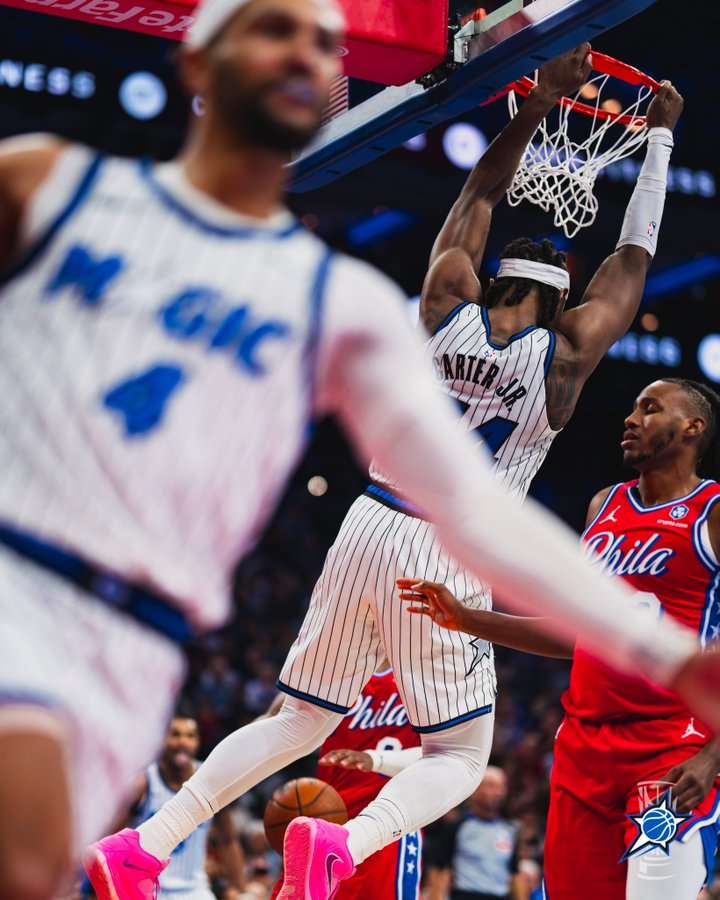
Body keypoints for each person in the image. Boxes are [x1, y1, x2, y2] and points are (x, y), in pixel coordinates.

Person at [0, 0, 713, 893]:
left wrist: (530, 109)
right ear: (568, 285)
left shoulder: (444, 299)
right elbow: (636, 265)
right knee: (460, 752)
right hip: (448, 536)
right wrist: (655, 146)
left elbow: (478, 197)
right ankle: (345, 845)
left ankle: (145, 843)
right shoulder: (565, 360)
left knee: (299, 719)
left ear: (492, 268)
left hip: (366, 520)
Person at [399, 377, 720, 899]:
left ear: (692, 427)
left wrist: (713, 757)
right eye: (632, 408)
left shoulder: (713, 511)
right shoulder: (603, 507)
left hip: (670, 745)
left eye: (650, 408)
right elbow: (578, 633)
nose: (630, 419)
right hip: (583, 749)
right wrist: (468, 619)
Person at [268, 662, 424, 900]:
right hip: (330, 818)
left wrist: (375, 759)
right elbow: (268, 724)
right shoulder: (334, 672)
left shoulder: (423, 678)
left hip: (391, 823)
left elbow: (446, 756)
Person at [127, 713, 245, 899]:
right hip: (146, 889)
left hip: (194, 890)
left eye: (190, 736)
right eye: (175, 734)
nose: (183, 741)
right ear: (162, 739)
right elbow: (113, 837)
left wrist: (240, 890)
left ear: (198, 742)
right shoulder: (144, 782)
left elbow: (228, 840)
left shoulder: (210, 779)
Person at [425, 766, 523, 900]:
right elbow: (437, 868)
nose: (497, 793)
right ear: (474, 790)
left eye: (501, 787)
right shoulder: (457, 827)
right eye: (491, 786)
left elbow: (515, 873)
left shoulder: (509, 831)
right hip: (465, 895)